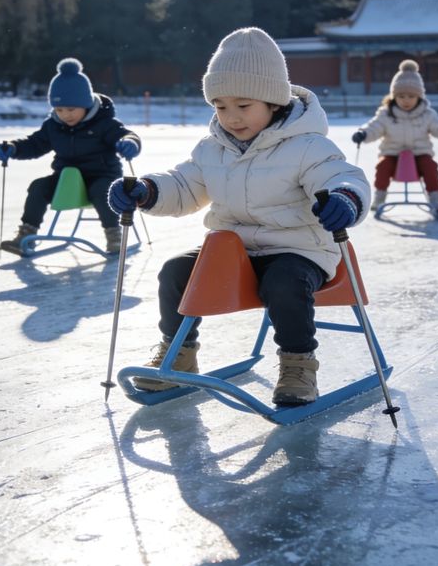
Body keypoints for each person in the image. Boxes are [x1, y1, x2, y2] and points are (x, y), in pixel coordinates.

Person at [107, 27, 371, 406]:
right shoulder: (212, 149)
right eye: (220, 106)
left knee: (284, 283)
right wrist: (147, 190)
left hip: (299, 251)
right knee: (175, 272)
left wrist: (345, 198)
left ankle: (298, 365)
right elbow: (183, 186)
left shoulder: (308, 146)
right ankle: (179, 353)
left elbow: (341, 176)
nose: (231, 117)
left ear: (273, 102)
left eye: (243, 106)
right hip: (234, 254)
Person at [0, 58, 141, 255]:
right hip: (66, 179)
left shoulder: (104, 123)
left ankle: (114, 234)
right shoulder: (53, 126)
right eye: (59, 109)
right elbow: (35, 144)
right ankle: (26, 233)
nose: (65, 115)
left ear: (86, 104)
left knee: (103, 191)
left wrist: (130, 143)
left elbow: (125, 135)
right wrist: (13, 148)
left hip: (101, 175)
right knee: (38, 187)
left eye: (71, 109)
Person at [351, 60, 438, 213]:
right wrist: (363, 134)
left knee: (430, 166)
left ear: (419, 97)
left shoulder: (427, 114)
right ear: (394, 97)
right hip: (392, 154)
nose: (406, 100)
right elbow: (374, 127)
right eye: (401, 96)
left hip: (420, 154)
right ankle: (380, 197)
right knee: (382, 166)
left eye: (411, 96)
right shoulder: (386, 114)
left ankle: (435, 198)